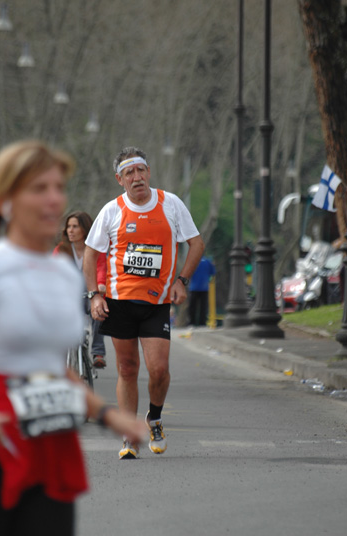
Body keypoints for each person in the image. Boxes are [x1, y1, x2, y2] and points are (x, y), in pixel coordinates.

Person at [0, 140, 146, 536]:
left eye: (58, 188)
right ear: (6, 200)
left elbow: (51, 370)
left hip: (48, 432)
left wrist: (107, 413)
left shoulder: (61, 275)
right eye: (39, 188)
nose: (54, 199)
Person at [83, 146, 204, 459]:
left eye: (140, 171)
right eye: (128, 173)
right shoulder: (111, 211)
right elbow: (90, 255)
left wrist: (182, 281)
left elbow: (196, 243)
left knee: (159, 370)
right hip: (119, 301)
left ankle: (155, 417)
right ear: (119, 179)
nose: (136, 178)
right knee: (127, 368)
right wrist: (95, 295)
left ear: (148, 172)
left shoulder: (171, 204)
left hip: (157, 301)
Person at [54, 211, 107, 368]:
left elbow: (101, 268)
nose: (70, 230)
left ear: (85, 229)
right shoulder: (61, 250)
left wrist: (101, 284)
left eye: (75, 227)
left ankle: (98, 352)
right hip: (68, 296)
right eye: (68, 227)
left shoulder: (96, 249)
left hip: (90, 293)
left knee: (100, 310)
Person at [188, 256, 216, 326]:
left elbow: (188, 273)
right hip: (204, 287)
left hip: (193, 287)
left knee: (192, 306)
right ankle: (202, 323)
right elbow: (213, 273)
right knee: (203, 307)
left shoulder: (192, 261)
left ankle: (192, 322)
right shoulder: (208, 261)